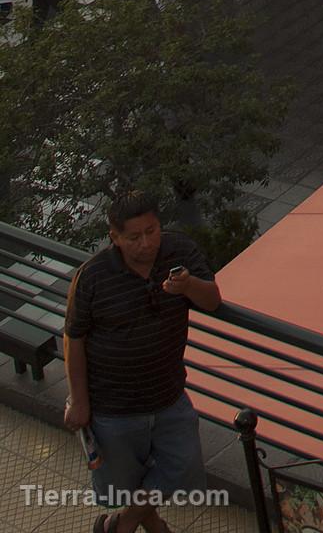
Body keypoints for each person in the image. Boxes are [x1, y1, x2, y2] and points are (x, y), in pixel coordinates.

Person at [63, 190, 221, 533]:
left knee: (184, 467)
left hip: (168, 393)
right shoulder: (92, 275)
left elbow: (212, 300)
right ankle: (149, 524)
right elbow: (74, 337)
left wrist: (188, 285)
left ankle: (121, 524)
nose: (146, 243)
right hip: (112, 405)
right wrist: (79, 400)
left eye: (152, 231)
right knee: (125, 482)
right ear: (114, 237)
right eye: (134, 237)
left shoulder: (180, 250)